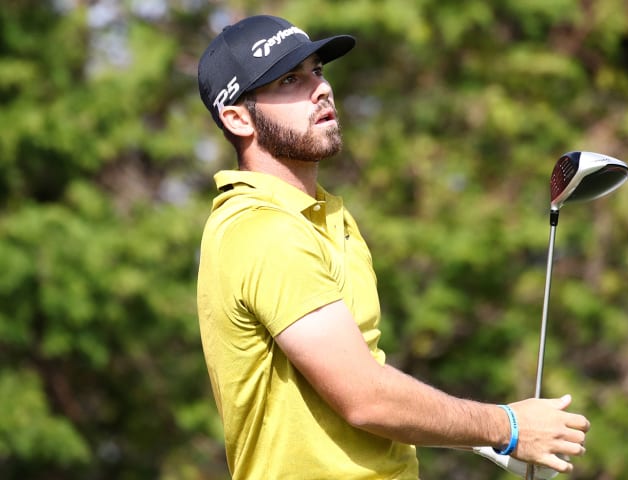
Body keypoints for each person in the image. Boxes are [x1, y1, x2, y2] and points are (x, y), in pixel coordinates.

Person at [195, 14, 590, 480]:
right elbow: (365, 398)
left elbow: (366, 373)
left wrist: (479, 439)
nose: (321, 89)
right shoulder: (263, 230)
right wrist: (506, 427)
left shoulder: (328, 218)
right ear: (238, 117)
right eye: (289, 80)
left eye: (317, 71)